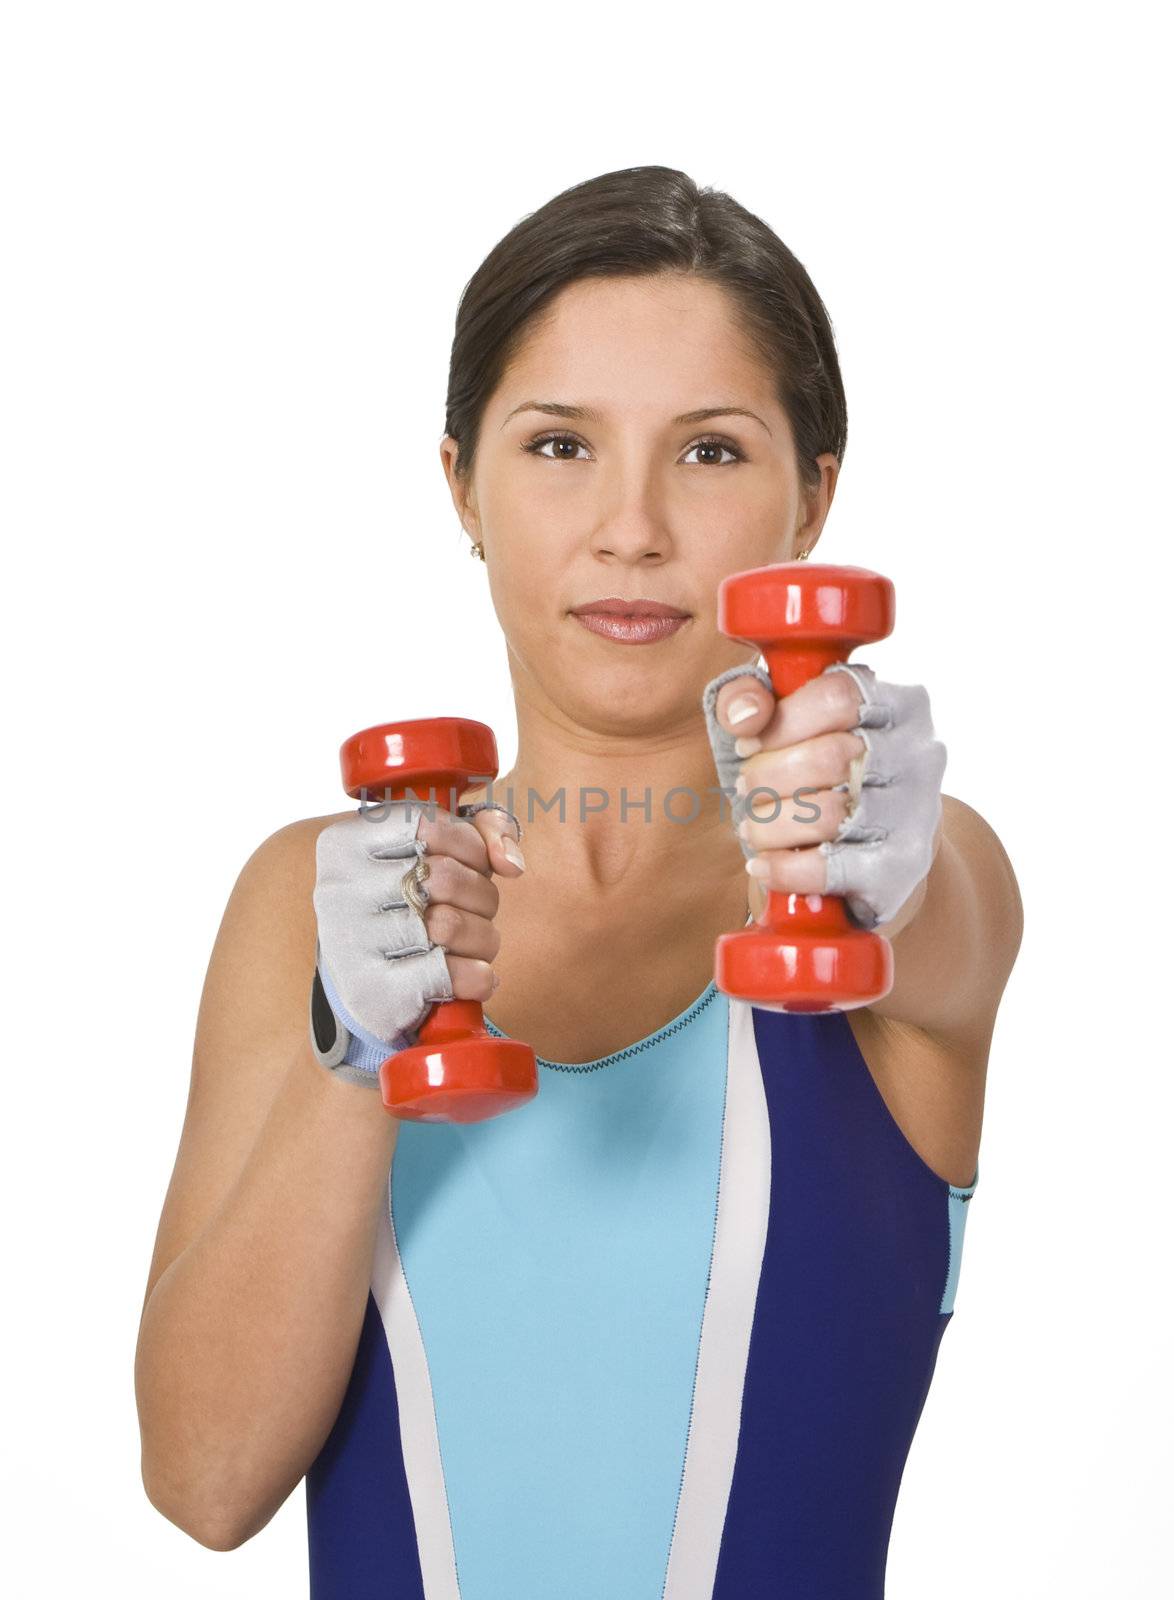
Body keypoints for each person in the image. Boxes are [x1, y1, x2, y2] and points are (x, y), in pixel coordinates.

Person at [135, 166, 1023, 1598]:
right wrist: (353, 1053)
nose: (630, 530)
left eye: (711, 453)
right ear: (459, 486)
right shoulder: (308, 900)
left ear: (813, 498)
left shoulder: (916, 865)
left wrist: (886, 873)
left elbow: (935, 922)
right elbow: (205, 1481)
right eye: (558, 445)